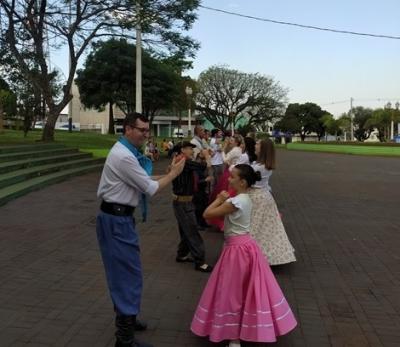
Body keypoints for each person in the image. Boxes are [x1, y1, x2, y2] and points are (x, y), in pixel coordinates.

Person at [96, 112, 185, 347]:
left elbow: (141, 180)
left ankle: (127, 319)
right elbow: (150, 188)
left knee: (126, 272)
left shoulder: (125, 152)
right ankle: (124, 339)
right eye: (142, 130)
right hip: (116, 221)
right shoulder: (124, 156)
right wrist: (174, 174)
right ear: (127, 129)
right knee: (127, 275)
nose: (146, 135)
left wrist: (166, 174)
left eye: (147, 130)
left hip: (117, 219)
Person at [191, 164, 297, 346]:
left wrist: (218, 199)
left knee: (233, 292)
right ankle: (241, 331)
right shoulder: (245, 198)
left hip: (237, 251)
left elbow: (207, 214)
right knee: (245, 289)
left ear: (242, 181)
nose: (229, 179)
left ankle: (234, 336)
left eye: (232, 177)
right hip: (245, 247)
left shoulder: (236, 202)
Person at [249, 138, 296, 265]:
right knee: (265, 228)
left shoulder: (259, 167)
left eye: (258, 144)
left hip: (257, 198)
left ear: (263, 149)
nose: (255, 145)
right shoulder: (262, 165)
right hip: (263, 197)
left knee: (255, 227)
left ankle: (253, 255)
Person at [171, 141, 213, 272]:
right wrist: (206, 157)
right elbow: (202, 167)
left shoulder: (181, 160)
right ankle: (200, 261)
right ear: (182, 150)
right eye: (190, 148)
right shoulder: (183, 161)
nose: (192, 151)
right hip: (183, 203)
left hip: (183, 202)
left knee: (185, 230)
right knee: (192, 230)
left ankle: (182, 254)